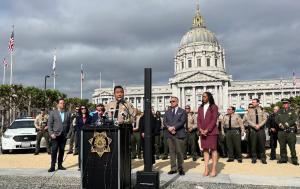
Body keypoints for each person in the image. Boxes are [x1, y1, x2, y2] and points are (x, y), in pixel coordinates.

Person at [163, 96, 187, 176]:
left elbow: (182, 121)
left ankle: (181, 169)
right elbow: (164, 121)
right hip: (169, 134)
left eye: (173, 101)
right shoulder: (167, 111)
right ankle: (173, 168)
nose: (171, 103)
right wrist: (169, 127)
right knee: (172, 152)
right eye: (170, 101)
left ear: (177, 102)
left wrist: (174, 127)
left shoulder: (182, 111)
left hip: (179, 134)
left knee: (179, 152)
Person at [197, 92, 219, 177]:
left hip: (212, 132)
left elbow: (214, 119)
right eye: (202, 96)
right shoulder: (200, 107)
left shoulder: (214, 107)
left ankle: (213, 169)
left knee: (213, 149)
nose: (203, 98)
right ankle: (206, 168)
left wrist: (208, 129)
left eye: (205, 96)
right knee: (205, 150)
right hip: (202, 132)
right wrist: (200, 129)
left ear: (209, 97)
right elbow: (198, 119)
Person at [47, 98, 71, 172]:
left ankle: (60, 165)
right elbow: (49, 124)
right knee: (54, 151)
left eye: (63, 103)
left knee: (61, 151)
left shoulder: (68, 113)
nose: (62, 104)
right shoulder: (53, 113)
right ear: (58, 104)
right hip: (55, 135)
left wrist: (68, 134)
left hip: (64, 136)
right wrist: (51, 133)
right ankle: (52, 166)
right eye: (61, 103)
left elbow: (70, 125)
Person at [275, 98, 299, 165]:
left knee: (292, 147)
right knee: (282, 146)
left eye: (286, 103)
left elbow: (294, 119)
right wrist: (279, 124)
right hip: (281, 132)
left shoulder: (293, 111)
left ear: (289, 104)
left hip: (290, 132)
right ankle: (283, 158)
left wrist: (286, 124)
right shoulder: (279, 111)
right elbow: (276, 119)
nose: (285, 104)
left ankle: (294, 159)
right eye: (283, 103)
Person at [244, 99, 267, 164]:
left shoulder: (262, 110)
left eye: (254, 102)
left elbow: (265, 119)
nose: (252, 103)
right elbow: (248, 120)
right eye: (252, 102)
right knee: (253, 145)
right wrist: (254, 125)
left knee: (262, 144)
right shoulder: (249, 111)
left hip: (261, 129)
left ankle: (263, 158)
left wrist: (259, 125)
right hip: (253, 130)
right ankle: (254, 158)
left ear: (258, 103)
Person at [75, 106, 92, 170]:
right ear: (80, 110)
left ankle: (88, 165)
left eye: (84, 108)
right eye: (82, 108)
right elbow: (77, 127)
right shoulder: (78, 117)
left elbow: (91, 125)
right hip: (80, 136)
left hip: (87, 136)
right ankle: (80, 166)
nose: (83, 109)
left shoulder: (90, 117)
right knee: (80, 151)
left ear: (86, 109)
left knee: (88, 151)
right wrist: (81, 132)